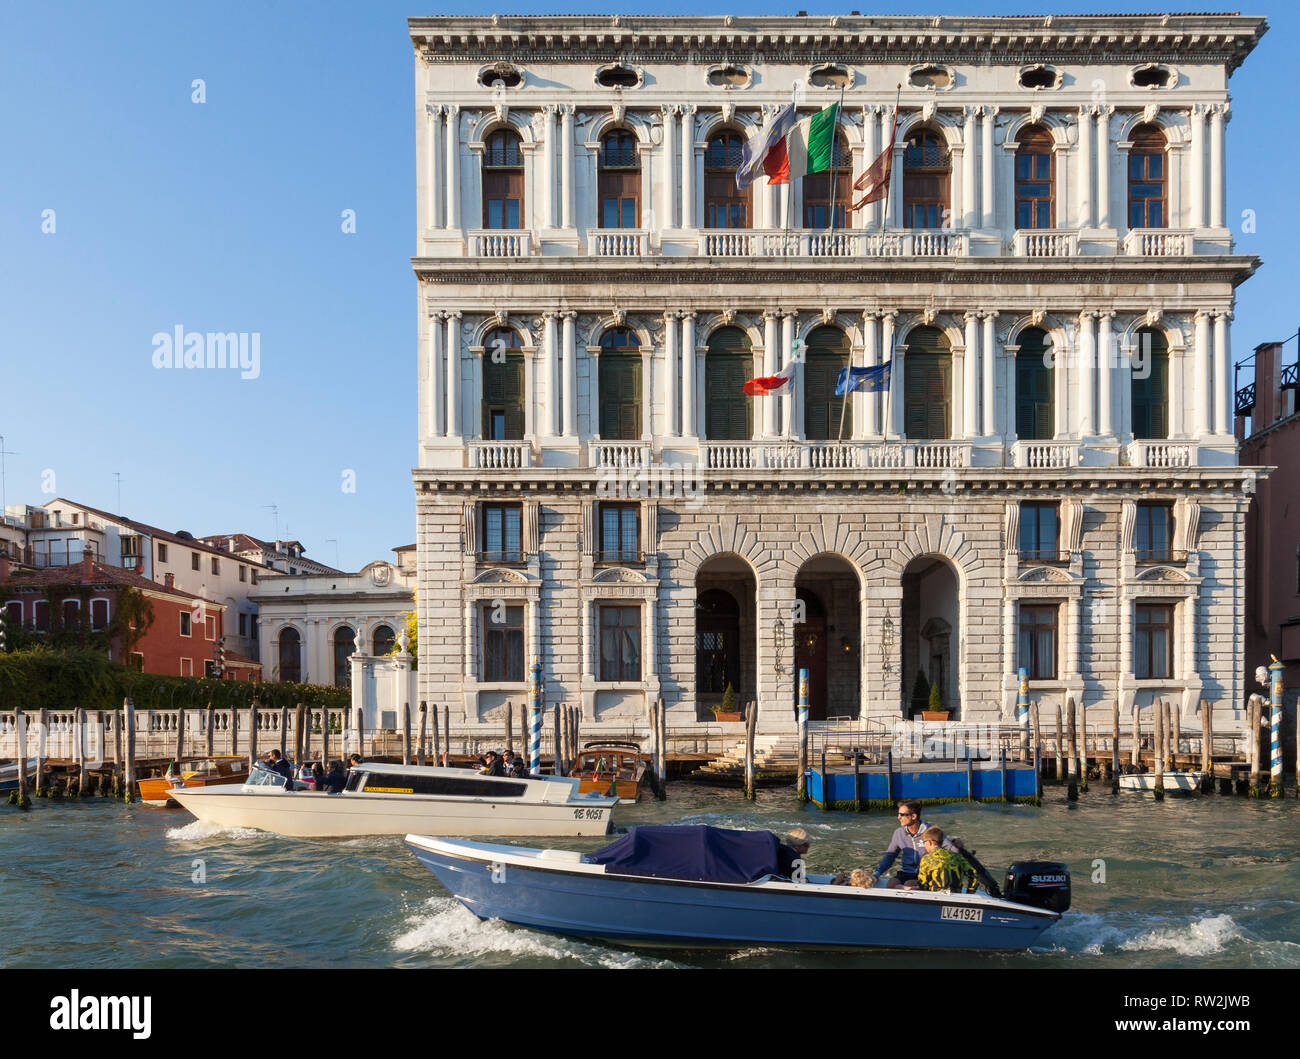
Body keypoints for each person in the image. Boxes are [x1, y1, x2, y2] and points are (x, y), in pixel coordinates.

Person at [872, 801, 959, 889]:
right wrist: (876, 874)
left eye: (902, 814)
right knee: (891, 884)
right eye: (898, 814)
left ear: (913, 816)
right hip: (907, 872)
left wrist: (958, 849)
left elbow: (952, 850)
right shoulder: (898, 833)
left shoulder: (931, 831)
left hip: (926, 873)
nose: (898, 817)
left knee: (909, 884)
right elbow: (890, 856)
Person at [916, 826, 977, 894]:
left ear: (929, 842)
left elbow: (922, 882)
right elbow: (974, 874)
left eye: (924, 842)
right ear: (942, 842)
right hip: (956, 895)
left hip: (935, 895)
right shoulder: (958, 857)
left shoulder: (927, 859)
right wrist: (970, 892)